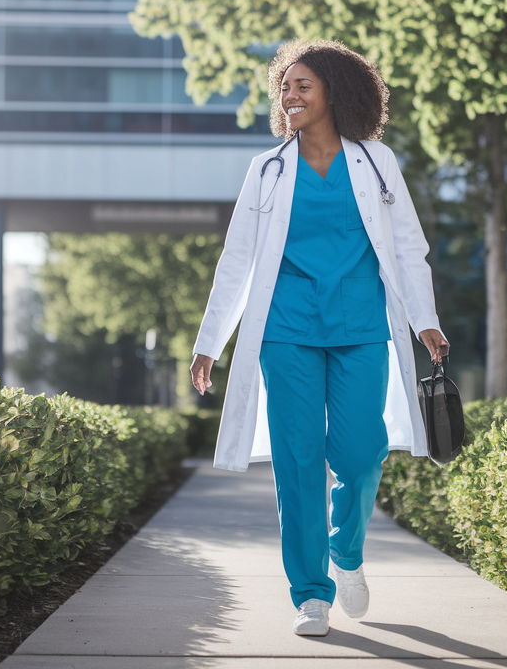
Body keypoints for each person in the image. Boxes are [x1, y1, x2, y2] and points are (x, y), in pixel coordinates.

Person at [189, 40, 448, 637]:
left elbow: (408, 247)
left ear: (335, 90)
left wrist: (424, 318)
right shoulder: (268, 169)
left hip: (361, 327)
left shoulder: (377, 162)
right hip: (286, 330)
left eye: (303, 85)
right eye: (285, 87)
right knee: (299, 461)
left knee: (360, 455)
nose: (290, 96)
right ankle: (310, 594)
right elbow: (238, 260)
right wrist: (211, 341)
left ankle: (347, 553)